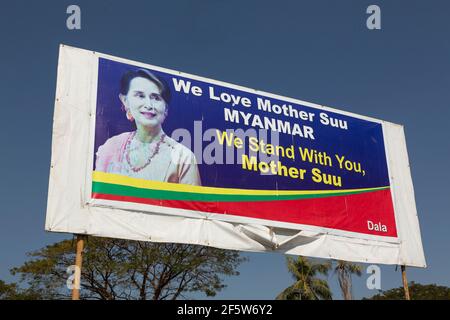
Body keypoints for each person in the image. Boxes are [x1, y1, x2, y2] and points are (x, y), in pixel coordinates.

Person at [95, 68, 201, 185]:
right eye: (140, 96)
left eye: (156, 98)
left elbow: (191, 203)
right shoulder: (110, 147)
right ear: (125, 101)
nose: (149, 105)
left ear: (165, 108)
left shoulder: (183, 157)